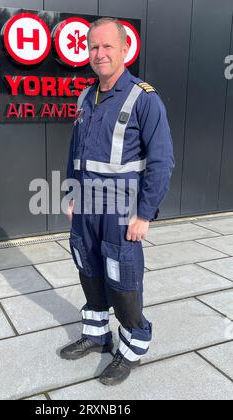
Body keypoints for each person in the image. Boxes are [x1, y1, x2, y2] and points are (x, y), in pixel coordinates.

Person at [60, 17, 175, 386]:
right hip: (86, 210)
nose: (100, 53)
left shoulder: (145, 98)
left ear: (125, 49)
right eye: (94, 47)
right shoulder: (84, 96)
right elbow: (75, 153)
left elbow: (162, 161)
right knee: (89, 272)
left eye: (108, 46)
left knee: (123, 283)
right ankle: (97, 335)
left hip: (121, 212)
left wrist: (145, 213)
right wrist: (71, 193)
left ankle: (131, 348)